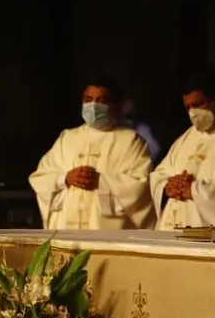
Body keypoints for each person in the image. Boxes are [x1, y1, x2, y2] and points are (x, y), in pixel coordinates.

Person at [29, 77, 155, 230]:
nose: (93, 106)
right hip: (66, 230)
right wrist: (66, 178)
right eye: (88, 99)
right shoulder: (68, 138)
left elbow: (140, 184)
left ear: (116, 106)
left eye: (101, 100)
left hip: (106, 234)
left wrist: (100, 181)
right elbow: (41, 177)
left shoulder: (130, 141)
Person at [150, 72, 215, 230]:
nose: (193, 113)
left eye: (198, 104)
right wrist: (167, 186)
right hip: (172, 232)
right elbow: (159, 174)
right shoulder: (187, 137)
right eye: (188, 107)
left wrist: (193, 190)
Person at [121, 98, 162, 164]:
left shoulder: (143, 129)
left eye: (131, 115)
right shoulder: (115, 131)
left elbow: (155, 150)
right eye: (126, 116)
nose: (128, 120)